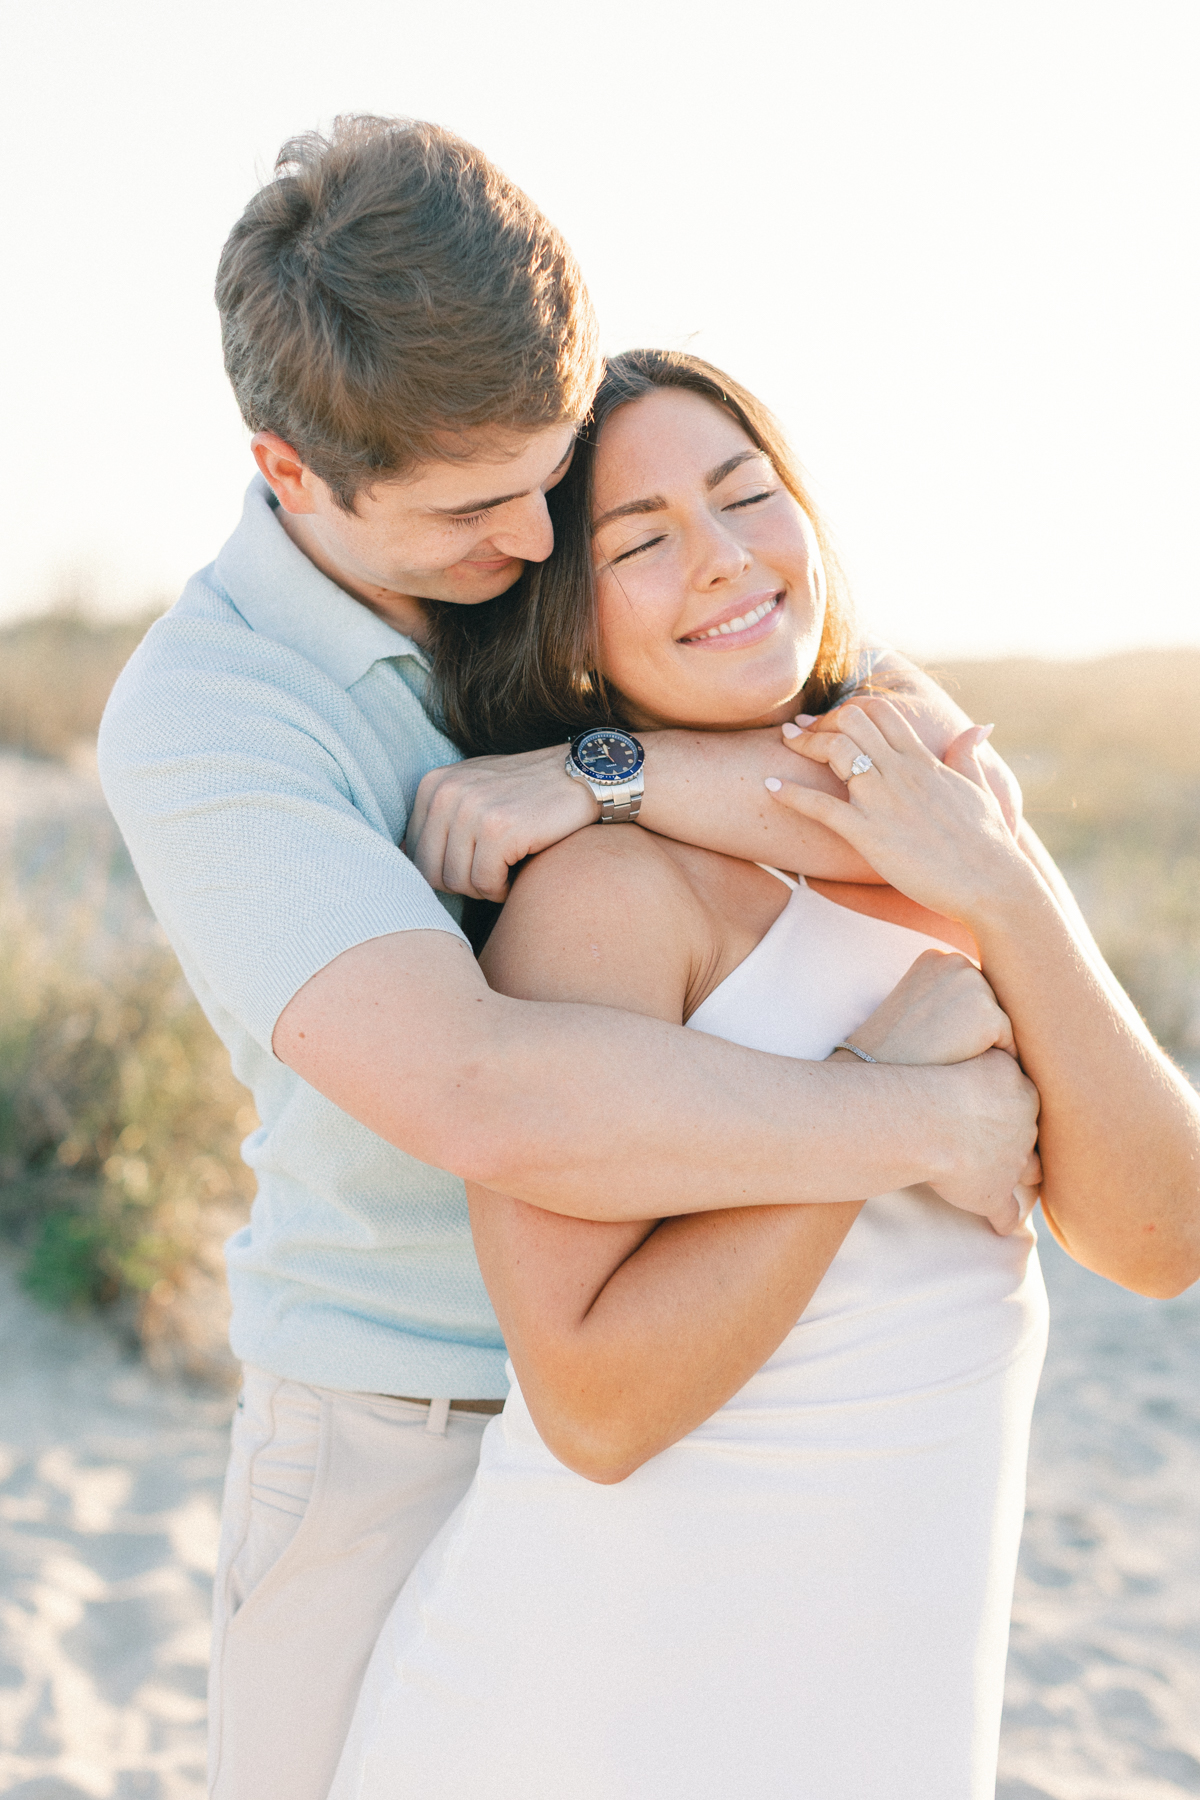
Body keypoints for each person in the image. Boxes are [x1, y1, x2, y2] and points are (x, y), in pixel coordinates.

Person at [99, 120, 1042, 1800]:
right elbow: (483, 1087)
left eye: (550, 476)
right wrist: (914, 1120)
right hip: (407, 1423)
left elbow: (940, 790)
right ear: (292, 469)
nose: (541, 541)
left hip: (708, 1387)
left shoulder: (564, 496)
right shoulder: (209, 715)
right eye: (479, 508)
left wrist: (619, 767)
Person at [329, 350, 1200, 1800]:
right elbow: (597, 1406)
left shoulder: (931, 821)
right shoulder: (607, 900)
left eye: (748, 496)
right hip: (592, 1724)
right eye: (645, 538)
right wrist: (884, 1109)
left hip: (880, 1728)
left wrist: (1007, 886)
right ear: (573, 617)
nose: (725, 558)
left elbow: (1163, 1238)